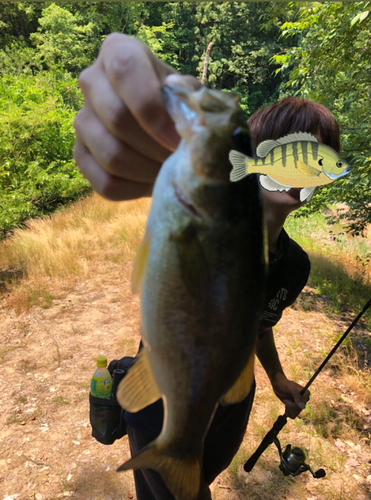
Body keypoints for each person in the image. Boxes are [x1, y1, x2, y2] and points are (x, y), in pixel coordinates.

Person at [74, 34, 341, 500]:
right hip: (163, 394)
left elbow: (256, 325)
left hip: (231, 402)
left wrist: (277, 377)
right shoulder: (206, 212)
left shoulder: (295, 265)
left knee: (197, 479)